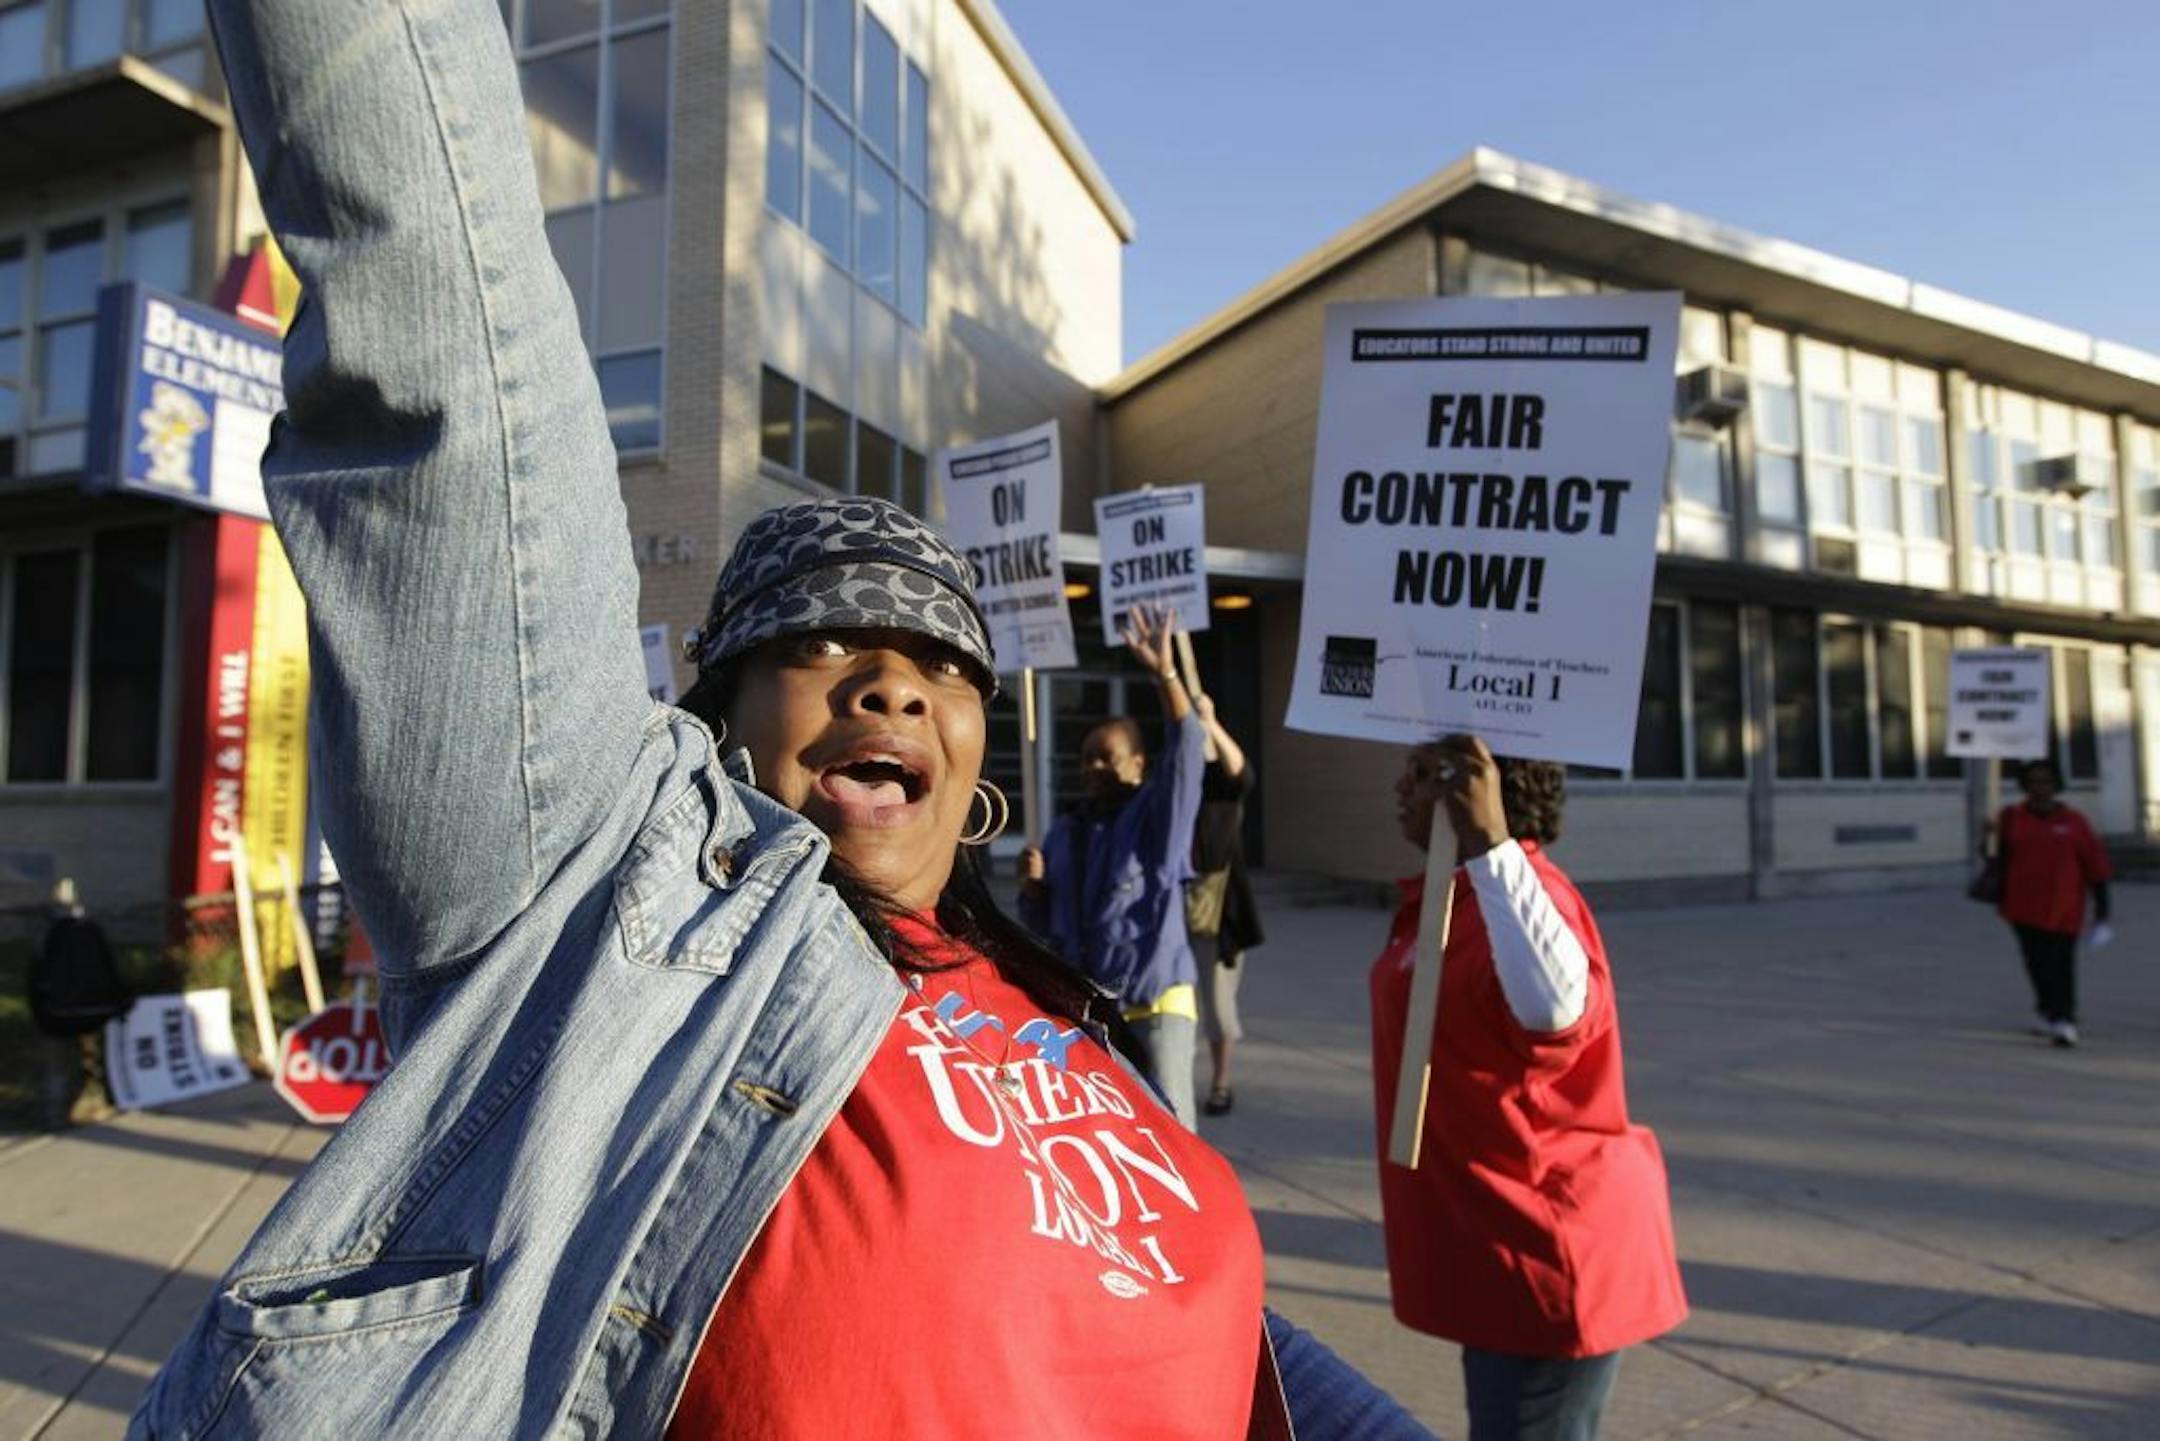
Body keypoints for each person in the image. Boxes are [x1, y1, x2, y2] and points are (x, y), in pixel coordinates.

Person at [134, 4, 1426, 1436]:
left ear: (976, 759)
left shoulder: (1051, 1004)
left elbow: (1201, 1308)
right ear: (713, 721)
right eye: (819, 648)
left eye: (938, 670)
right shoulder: (600, 927)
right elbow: (439, 347)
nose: (890, 688)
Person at [1370, 737, 1686, 1441]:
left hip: (1545, 1256)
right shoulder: (1457, 891)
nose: (1402, 787)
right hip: (1494, 1250)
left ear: (1481, 790)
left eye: (1424, 775)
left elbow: (1555, 1013)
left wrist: (1491, 844)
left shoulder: (1526, 894)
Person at [1020, 607, 1206, 1127]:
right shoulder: (1065, 833)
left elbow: (1188, 751)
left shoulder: (1156, 820)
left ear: (1138, 764)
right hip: (1090, 1017)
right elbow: (1044, 934)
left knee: (1169, 1131)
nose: (1094, 769)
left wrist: (1165, 674)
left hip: (1154, 1008)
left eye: (1107, 757)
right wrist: (1033, 890)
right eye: (1085, 760)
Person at [1992, 757, 2112, 1048]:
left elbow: (2095, 866)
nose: (2039, 788)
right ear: (2024, 786)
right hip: (2022, 905)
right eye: (2033, 782)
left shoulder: (2074, 822)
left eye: (2045, 781)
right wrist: (1987, 839)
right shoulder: (2011, 818)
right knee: (2036, 963)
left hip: (2064, 907)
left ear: (2056, 785)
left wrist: (2102, 911)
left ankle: (2065, 1019)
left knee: (2060, 964)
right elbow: (1995, 860)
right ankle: (2046, 1010)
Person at [1185, 692, 1265, 1117]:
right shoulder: (1179, 789)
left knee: (1217, 1003)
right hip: (1175, 909)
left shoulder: (1222, 793)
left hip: (1218, 912)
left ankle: (1221, 1082)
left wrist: (1210, 721)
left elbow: (1243, 775)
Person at [27, 877, 128, 1131]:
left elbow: (37, 974)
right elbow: (110, 970)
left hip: (56, 1013)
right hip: (95, 1009)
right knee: (93, 1060)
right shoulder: (92, 930)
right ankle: (93, 1101)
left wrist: (39, 1010)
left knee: (57, 1064)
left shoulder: (47, 933)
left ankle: (54, 1115)